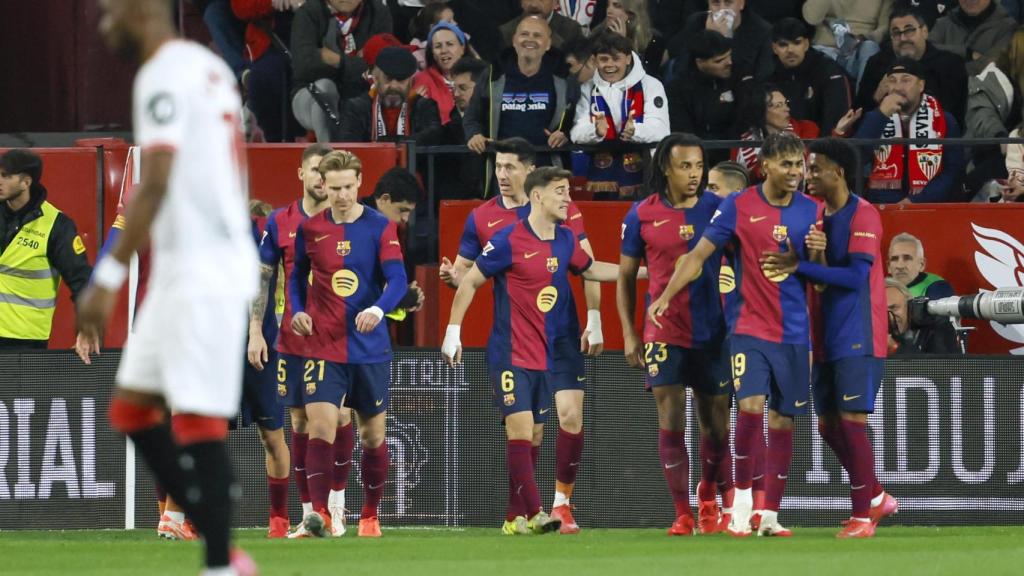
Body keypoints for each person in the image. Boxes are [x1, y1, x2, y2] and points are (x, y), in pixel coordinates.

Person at [81, 1, 260, 574]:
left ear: (141, 11)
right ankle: (224, 551)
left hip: (204, 267)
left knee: (198, 418)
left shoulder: (161, 74)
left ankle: (218, 564)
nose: (104, 24)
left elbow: (152, 184)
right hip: (190, 263)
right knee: (133, 411)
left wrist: (107, 277)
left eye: (110, 11)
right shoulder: (211, 69)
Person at [648, 132, 821, 538]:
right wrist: (667, 296)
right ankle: (740, 502)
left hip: (796, 331)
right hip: (748, 328)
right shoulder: (738, 207)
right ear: (766, 166)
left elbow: (822, 277)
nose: (795, 172)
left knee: (783, 419)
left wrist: (817, 253)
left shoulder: (814, 211)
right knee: (751, 406)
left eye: (799, 164)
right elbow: (697, 256)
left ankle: (769, 514)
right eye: (786, 164)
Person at [438, 138, 604, 534]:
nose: (501, 174)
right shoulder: (486, 220)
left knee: (563, 419)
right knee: (525, 428)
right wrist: (454, 288)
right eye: (498, 166)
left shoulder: (564, 217)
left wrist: (595, 316)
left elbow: (588, 265)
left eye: (510, 166)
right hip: (516, 339)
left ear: (531, 175)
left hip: (560, 335)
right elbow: (469, 274)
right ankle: (528, 512)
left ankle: (557, 504)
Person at [760, 139, 899, 538]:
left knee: (853, 418)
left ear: (838, 172)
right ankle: (874, 495)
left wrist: (800, 265)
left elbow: (856, 277)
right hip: (819, 332)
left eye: (816, 167)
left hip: (858, 330)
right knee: (826, 424)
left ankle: (862, 517)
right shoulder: (817, 215)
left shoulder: (865, 215)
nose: (809, 174)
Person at [617, 134, 734, 536]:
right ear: (666, 166)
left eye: (699, 166)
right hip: (663, 331)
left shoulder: (719, 210)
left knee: (715, 425)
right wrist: (630, 335)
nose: (694, 174)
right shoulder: (641, 214)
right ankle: (684, 512)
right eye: (685, 166)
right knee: (671, 419)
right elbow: (626, 277)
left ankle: (709, 493)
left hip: (712, 331)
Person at [288, 150, 408, 538]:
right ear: (323, 185)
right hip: (323, 344)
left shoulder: (379, 227)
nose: (341, 195)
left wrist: (378, 308)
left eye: (348, 187)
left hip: (369, 347)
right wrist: (297, 310)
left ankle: (370, 515)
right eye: (334, 188)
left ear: (360, 184)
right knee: (319, 425)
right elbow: (295, 277)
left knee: (372, 435)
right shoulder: (311, 229)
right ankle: (320, 515)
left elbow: (398, 282)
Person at [236, 198, 294, 538]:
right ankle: (185, 517)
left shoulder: (274, 258)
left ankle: (279, 519)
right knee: (206, 432)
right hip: (224, 348)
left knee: (273, 435)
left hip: (268, 351)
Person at [0, 149, 93, 350]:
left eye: (6, 176)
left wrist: (86, 328)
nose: (0, 181)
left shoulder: (57, 226)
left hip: (23, 342)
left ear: (26, 182)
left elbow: (81, 279)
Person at [569, 30, 670, 198]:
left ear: (628, 58)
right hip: (601, 175)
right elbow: (576, 132)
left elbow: (661, 129)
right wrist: (595, 131)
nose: (610, 65)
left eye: (616, 59)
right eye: (604, 59)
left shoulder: (650, 85)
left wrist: (635, 130)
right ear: (595, 61)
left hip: (643, 174)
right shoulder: (588, 88)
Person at [855, 58, 966, 203]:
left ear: (921, 85)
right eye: (892, 81)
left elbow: (953, 171)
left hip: (930, 208)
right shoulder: (874, 118)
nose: (898, 87)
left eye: (905, 80)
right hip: (883, 207)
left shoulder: (944, 120)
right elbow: (856, 159)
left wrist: (916, 200)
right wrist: (880, 116)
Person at [464, 16, 575, 158]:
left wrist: (565, 132)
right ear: (514, 41)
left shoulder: (564, 77)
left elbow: (576, 117)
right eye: (524, 34)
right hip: (503, 167)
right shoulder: (494, 74)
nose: (530, 39)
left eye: (537, 35)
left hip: (546, 168)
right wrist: (474, 134)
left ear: (548, 44)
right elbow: (472, 116)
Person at [290, 0, 394, 142]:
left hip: (362, 93)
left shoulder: (378, 13)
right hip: (310, 95)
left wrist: (338, 61)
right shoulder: (309, 13)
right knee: (325, 88)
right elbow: (303, 66)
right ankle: (330, 155)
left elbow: (381, 66)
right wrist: (357, 64)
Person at [855, 5, 968, 126]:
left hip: (935, 137)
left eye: (909, 30)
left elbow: (955, 118)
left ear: (924, 32)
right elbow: (857, 117)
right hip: (884, 139)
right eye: (896, 32)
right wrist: (876, 97)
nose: (903, 38)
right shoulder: (877, 63)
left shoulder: (950, 64)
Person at [337, 46, 444, 143]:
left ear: (411, 82)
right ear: (376, 79)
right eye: (388, 78)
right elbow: (348, 144)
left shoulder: (425, 106)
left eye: (401, 80)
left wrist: (390, 143)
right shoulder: (356, 108)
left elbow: (433, 137)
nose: (394, 86)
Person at [767, 18, 854, 135]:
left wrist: (817, 151)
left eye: (797, 43)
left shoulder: (828, 71)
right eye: (783, 45)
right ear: (774, 48)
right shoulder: (769, 77)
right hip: (784, 147)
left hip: (825, 145)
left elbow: (837, 120)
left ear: (806, 44)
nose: (790, 50)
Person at [666, 30, 739, 161]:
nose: (729, 63)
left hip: (734, 157)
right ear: (699, 62)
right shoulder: (678, 89)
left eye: (729, 56)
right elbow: (682, 133)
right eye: (719, 61)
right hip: (697, 158)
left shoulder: (737, 79)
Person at [667, 0, 774, 86]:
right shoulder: (696, 21)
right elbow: (681, 69)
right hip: (700, 93)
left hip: (741, 97)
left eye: (728, 3)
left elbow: (762, 78)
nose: (722, 9)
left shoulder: (763, 31)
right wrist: (708, 37)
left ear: (741, 4)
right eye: (715, 3)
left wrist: (722, 40)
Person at [732, 84, 820, 182]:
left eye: (785, 103)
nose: (787, 109)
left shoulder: (806, 129)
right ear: (760, 111)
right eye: (778, 106)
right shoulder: (741, 145)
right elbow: (743, 182)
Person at [801, 0, 892, 86]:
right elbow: (811, 18)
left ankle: (861, 101)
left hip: (859, 50)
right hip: (825, 48)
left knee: (870, 47)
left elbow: (885, 28)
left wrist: (865, 38)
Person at [929, 0, 1017, 75]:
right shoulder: (944, 23)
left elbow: (990, 67)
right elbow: (925, 51)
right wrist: (967, 53)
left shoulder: (1008, 28)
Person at [413, 21, 472, 124]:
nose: (444, 50)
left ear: (462, 48)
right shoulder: (422, 80)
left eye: (450, 44)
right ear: (432, 53)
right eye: (438, 46)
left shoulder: (479, 76)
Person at [590, 0, 667, 77]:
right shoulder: (598, 33)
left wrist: (622, 44)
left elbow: (643, 77)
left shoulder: (654, 40)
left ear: (631, 13)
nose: (609, 10)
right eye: (608, 5)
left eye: (617, 6)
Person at [886, 277, 962, 353]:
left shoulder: (937, 328)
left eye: (893, 308)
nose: (889, 317)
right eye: (882, 311)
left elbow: (940, 364)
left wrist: (895, 348)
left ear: (910, 306)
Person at [886, 232, 955, 299]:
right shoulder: (881, 289)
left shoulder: (938, 288)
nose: (900, 266)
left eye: (907, 258)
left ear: (922, 265)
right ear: (888, 266)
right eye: (894, 259)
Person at [500, 0, 585, 50]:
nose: (534, 5)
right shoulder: (506, 32)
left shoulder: (572, 30)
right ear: (521, 2)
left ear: (555, 3)